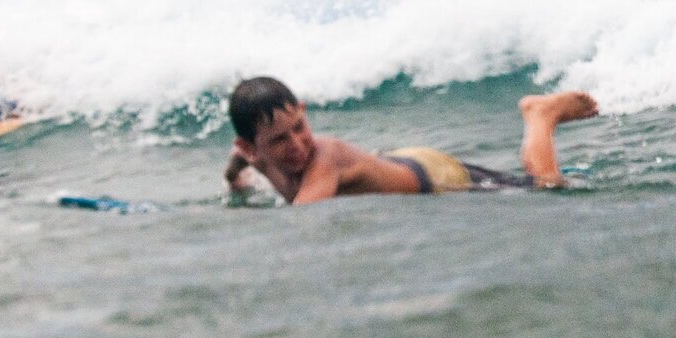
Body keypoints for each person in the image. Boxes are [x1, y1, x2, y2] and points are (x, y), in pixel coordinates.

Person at [223, 76, 599, 204]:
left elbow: (303, 221)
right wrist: (234, 181)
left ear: (304, 111)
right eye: (279, 141)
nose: (297, 145)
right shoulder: (255, 156)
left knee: (546, 187)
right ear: (251, 147)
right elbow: (237, 161)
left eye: (300, 127)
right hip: (393, 162)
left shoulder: (324, 157)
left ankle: (540, 116)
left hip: (435, 175)